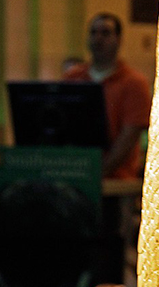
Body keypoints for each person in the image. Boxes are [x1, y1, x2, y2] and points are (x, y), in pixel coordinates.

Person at [63, 14, 151, 179]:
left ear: (118, 39)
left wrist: (98, 173)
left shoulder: (134, 83)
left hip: (118, 179)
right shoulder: (73, 78)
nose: (98, 38)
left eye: (105, 33)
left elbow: (129, 136)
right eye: (93, 32)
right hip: (74, 173)